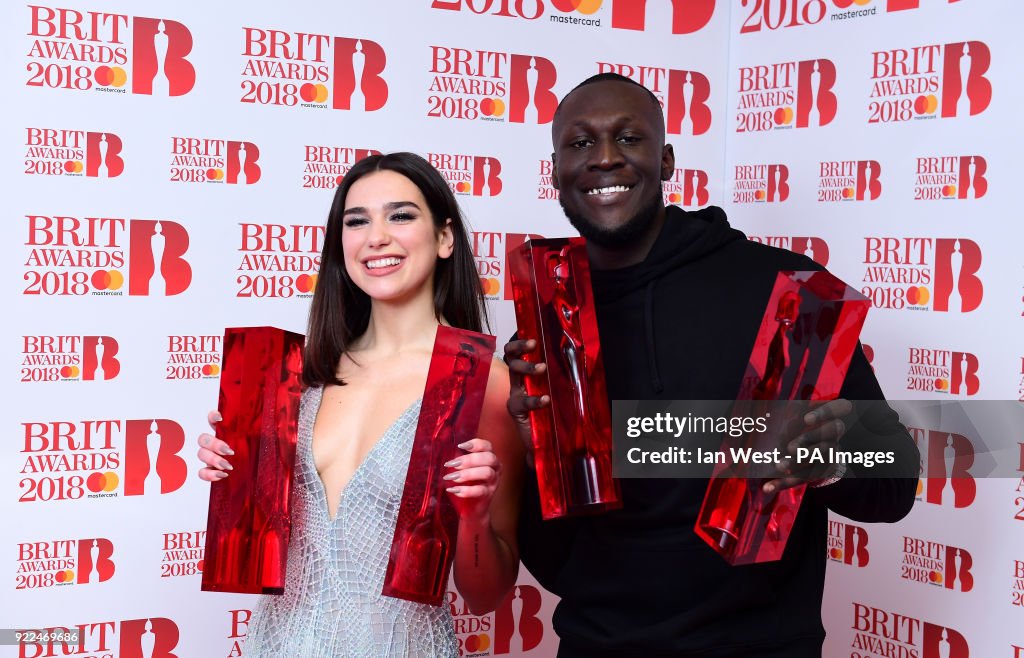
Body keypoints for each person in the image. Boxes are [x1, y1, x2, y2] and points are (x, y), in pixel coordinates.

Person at [505, 73, 920, 657]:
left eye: (628, 138)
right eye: (580, 143)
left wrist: (830, 459)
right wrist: (533, 461)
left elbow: (895, 486)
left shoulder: (787, 290)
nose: (604, 158)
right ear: (555, 171)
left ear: (667, 159)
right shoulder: (552, 317)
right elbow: (553, 561)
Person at [197, 152, 523, 657]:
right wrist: (233, 474)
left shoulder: (485, 384)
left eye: (400, 215)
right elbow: (257, 542)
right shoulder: (292, 378)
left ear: (444, 237)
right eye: (356, 221)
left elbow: (488, 596)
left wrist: (475, 517)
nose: (376, 237)